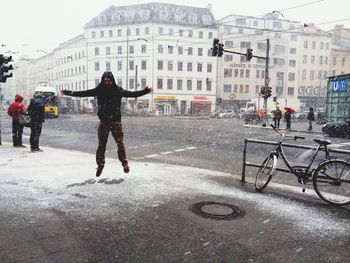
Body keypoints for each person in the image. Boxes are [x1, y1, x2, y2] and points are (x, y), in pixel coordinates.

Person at [62, 71, 152, 177]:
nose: (106, 82)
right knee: (101, 145)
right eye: (105, 81)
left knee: (120, 144)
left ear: (112, 80)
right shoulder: (99, 90)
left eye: (108, 81)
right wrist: (67, 92)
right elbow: (83, 93)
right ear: (102, 80)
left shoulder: (117, 90)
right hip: (104, 122)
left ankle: (124, 163)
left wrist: (146, 91)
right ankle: (100, 165)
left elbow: (132, 94)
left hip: (115, 122)